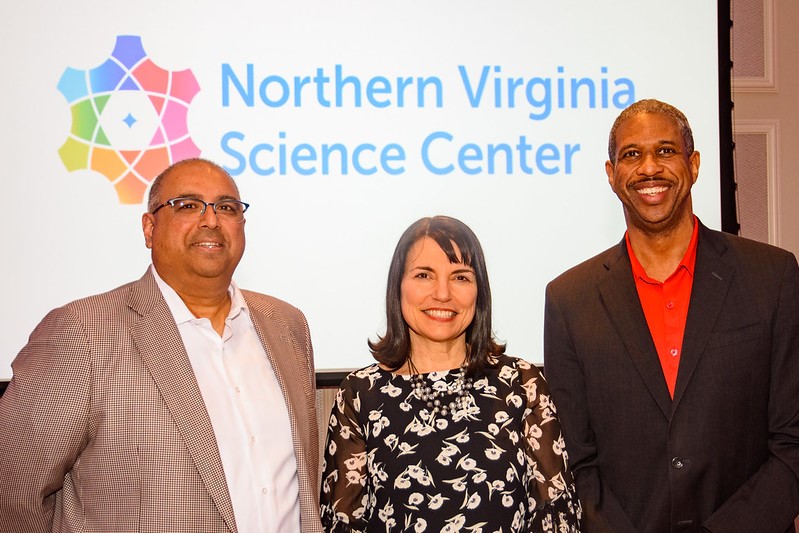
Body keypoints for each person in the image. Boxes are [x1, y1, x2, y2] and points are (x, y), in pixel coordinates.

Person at [0, 158, 323, 532]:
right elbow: (13, 491)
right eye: (187, 205)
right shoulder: (83, 332)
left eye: (227, 207)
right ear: (149, 228)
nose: (211, 220)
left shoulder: (286, 324)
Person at [543, 99, 799, 532]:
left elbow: (792, 441)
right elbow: (575, 461)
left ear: (693, 164)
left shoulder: (772, 276)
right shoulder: (569, 299)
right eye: (631, 155)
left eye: (665, 151)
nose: (649, 168)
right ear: (611, 175)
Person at [320, 215, 582, 532]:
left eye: (460, 277)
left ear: (479, 291)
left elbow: (556, 516)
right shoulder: (360, 394)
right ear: (398, 286)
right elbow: (344, 522)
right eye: (424, 275)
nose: (443, 294)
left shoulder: (522, 385)